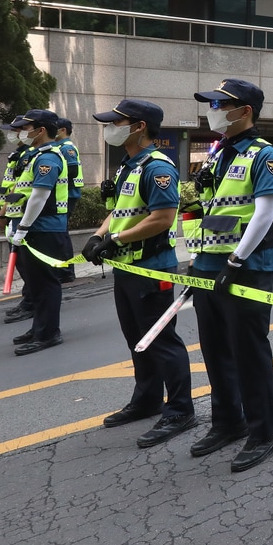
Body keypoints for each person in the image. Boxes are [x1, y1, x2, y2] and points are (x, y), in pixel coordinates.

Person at [187, 79, 273, 471]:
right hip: (208, 265)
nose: (212, 108)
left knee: (249, 353)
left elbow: (265, 214)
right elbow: (209, 212)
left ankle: (265, 432)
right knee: (214, 350)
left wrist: (236, 261)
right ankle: (229, 421)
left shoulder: (265, 155)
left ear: (244, 110)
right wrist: (197, 259)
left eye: (219, 103)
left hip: (245, 269)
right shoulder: (216, 154)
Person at [87, 100, 197, 447]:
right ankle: (147, 400)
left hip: (152, 269)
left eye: (115, 122)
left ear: (138, 127)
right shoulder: (128, 167)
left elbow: (163, 218)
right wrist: (99, 235)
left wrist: (115, 238)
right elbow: (121, 210)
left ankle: (180, 410)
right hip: (127, 268)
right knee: (137, 340)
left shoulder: (157, 166)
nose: (109, 128)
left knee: (162, 342)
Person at [6, 110, 73, 355]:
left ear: (40, 130)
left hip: (44, 229)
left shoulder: (49, 159)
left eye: (26, 127)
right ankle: (39, 328)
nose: (22, 133)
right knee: (35, 285)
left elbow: (39, 196)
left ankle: (48, 333)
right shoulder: (37, 156)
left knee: (46, 285)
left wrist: (22, 227)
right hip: (35, 228)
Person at [0, 123, 35, 325]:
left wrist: (2, 215)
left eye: (15, 131)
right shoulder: (18, 154)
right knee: (22, 266)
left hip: (20, 216)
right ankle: (28, 301)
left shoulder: (28, 156)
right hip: (13, 214)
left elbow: (17, 189)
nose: (12, 135)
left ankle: (31, 303)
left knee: (28, 268)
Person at [53, 118, 84, 285]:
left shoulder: (67, 148)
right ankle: (64, 270)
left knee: (61, 232)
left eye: (55, 129)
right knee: (60, 231)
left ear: (63, 130)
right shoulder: (58, 147)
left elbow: (71, 171)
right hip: (64, 194)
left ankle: (66, 271)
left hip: (68, 194)